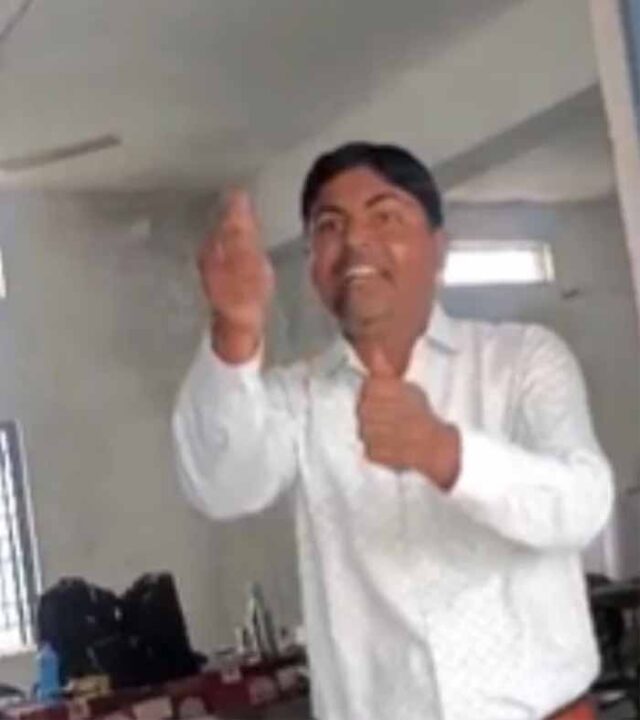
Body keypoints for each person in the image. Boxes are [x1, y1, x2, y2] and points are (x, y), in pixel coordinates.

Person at [173, 143, 613, 720]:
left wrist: (444, 451)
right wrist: (234, 332)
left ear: (439, 247)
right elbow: (220, 485)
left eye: (385, 216)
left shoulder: (522, 360)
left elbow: (582, 504)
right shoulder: (299, 399)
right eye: (330, 226)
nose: (356, 240)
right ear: (312, 264)